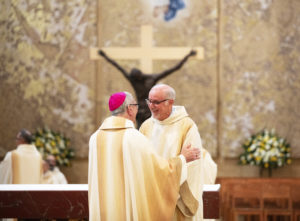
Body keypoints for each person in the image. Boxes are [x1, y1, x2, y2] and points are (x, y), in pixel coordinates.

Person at [88, 91, 201, 220]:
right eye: (136, 106)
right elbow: (158, 171)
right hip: (127, 210)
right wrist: (182, 159)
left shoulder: (95, 138)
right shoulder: (133, 137)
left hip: (104, 208)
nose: (138, 109)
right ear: (129, 109)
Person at [140, 84, 217, 220]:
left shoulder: (186, 126)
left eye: (156, 102)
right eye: (149, 101)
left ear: (171, 102)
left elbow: (192, 164)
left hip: (176, 200)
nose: (151, 106)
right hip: (150, 196)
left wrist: (171, 191)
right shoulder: (146, 126)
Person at [98, 49, 196, 127]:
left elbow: (173, 69)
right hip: (142, 111)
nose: (137, 80)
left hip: (150, 110)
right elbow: (118, 67)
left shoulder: (150, 78)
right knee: (142, 130)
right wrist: (104, 56)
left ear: (140, 75)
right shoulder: (136, 80)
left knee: (151, 130)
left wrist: (187, 56)